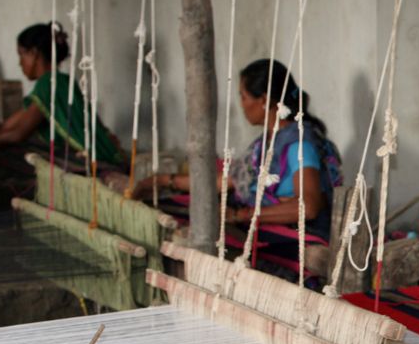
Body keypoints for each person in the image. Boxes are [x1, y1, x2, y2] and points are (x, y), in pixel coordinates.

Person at [133, 59, 341, 280]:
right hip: (268, 226)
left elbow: (308, 207)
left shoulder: (299, 143)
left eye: (243, 96)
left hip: (298, 237)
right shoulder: (267, 143)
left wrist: (242, 215)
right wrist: (163, 181)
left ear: (263, 100)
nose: (241, 104)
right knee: (182, 213)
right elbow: (225, 181)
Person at [0, 22, 122, 168]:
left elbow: (16, 134)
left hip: (99, 159)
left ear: (34, 53)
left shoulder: (52, 82)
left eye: (21, 55)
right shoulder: (54, 82)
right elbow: (5, 127)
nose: (20, 62)